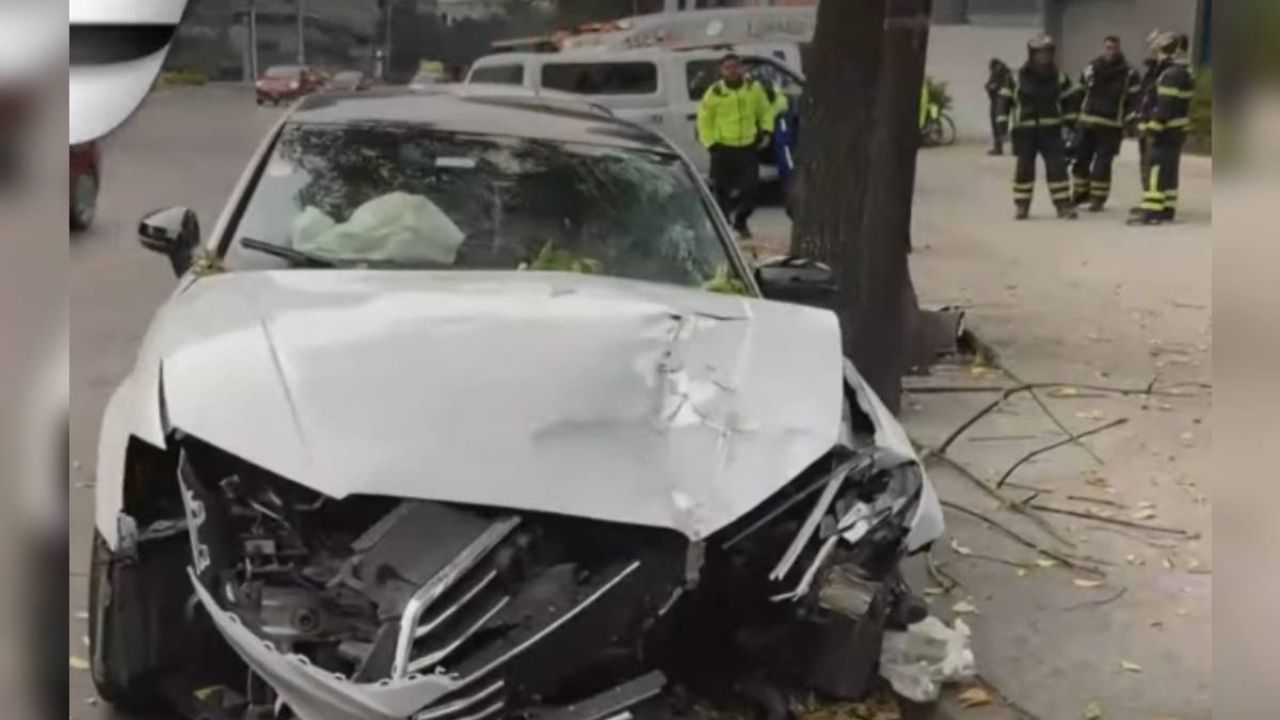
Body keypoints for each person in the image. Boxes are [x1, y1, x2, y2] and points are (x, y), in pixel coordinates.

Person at [997, 35, 1083, 220]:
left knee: (1057, 168)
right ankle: (1022, 206)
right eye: (1040, 53)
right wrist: (1002, 128)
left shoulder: (1059, 77)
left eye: (1047, 53)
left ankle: (1062, 205)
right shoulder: (1015, 77)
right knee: (1024, 170)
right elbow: (1003, 101)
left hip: (1051, 130)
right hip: (1024, 131)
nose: (1044, 57)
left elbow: (1073, 98)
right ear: (1032, 54)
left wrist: (1069, 123)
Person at [697, 54, 775, 239]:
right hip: (722, 148)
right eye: (728, 67)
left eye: (735, 67)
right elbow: (704, 120)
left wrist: (767, 131)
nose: (732, 71)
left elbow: (765, 111)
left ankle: (741, 220)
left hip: (747, 148)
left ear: (742, 69)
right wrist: (710, 144)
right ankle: (725, 227)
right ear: (722, 71)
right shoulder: (715, 92)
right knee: (721, 192)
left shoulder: (753, 88)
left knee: (751, 190)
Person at [1129, 31, 1194, 225]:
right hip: (1175, 130)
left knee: (1155, 167)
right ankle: (1166, 207)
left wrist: (1153, 128)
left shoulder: (1171, 74)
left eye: (1157, 49)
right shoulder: (1181, 71)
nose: (1155, 53)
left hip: (1166, 131)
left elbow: (1165, 105)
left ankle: (1153, 210)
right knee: (1169, 170)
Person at [1070, 35, 1142, 210]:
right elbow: (1079, 92)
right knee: (1080, 161)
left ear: (1119, 49)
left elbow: (1134, 100)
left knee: (1102, 166)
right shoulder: (1091, 68)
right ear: (1103, 48)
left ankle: (1098, 199)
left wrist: (1129, 122)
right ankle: (1080, 194)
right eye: (1107, 47)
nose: (1110, 51)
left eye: (1114, 48)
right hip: (1086, 123)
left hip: (1111, 126)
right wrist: (1072, 118)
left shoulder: (1129, 73)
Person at [985, 58, 1012, 155]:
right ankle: (999, 147)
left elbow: (992, 86)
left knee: (997, 126)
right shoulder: (1006, 73)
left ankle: (998, 148)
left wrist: (990, 87)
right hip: (1003, 102)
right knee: (1000, 126)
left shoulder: (997, 72)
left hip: (998, 102)